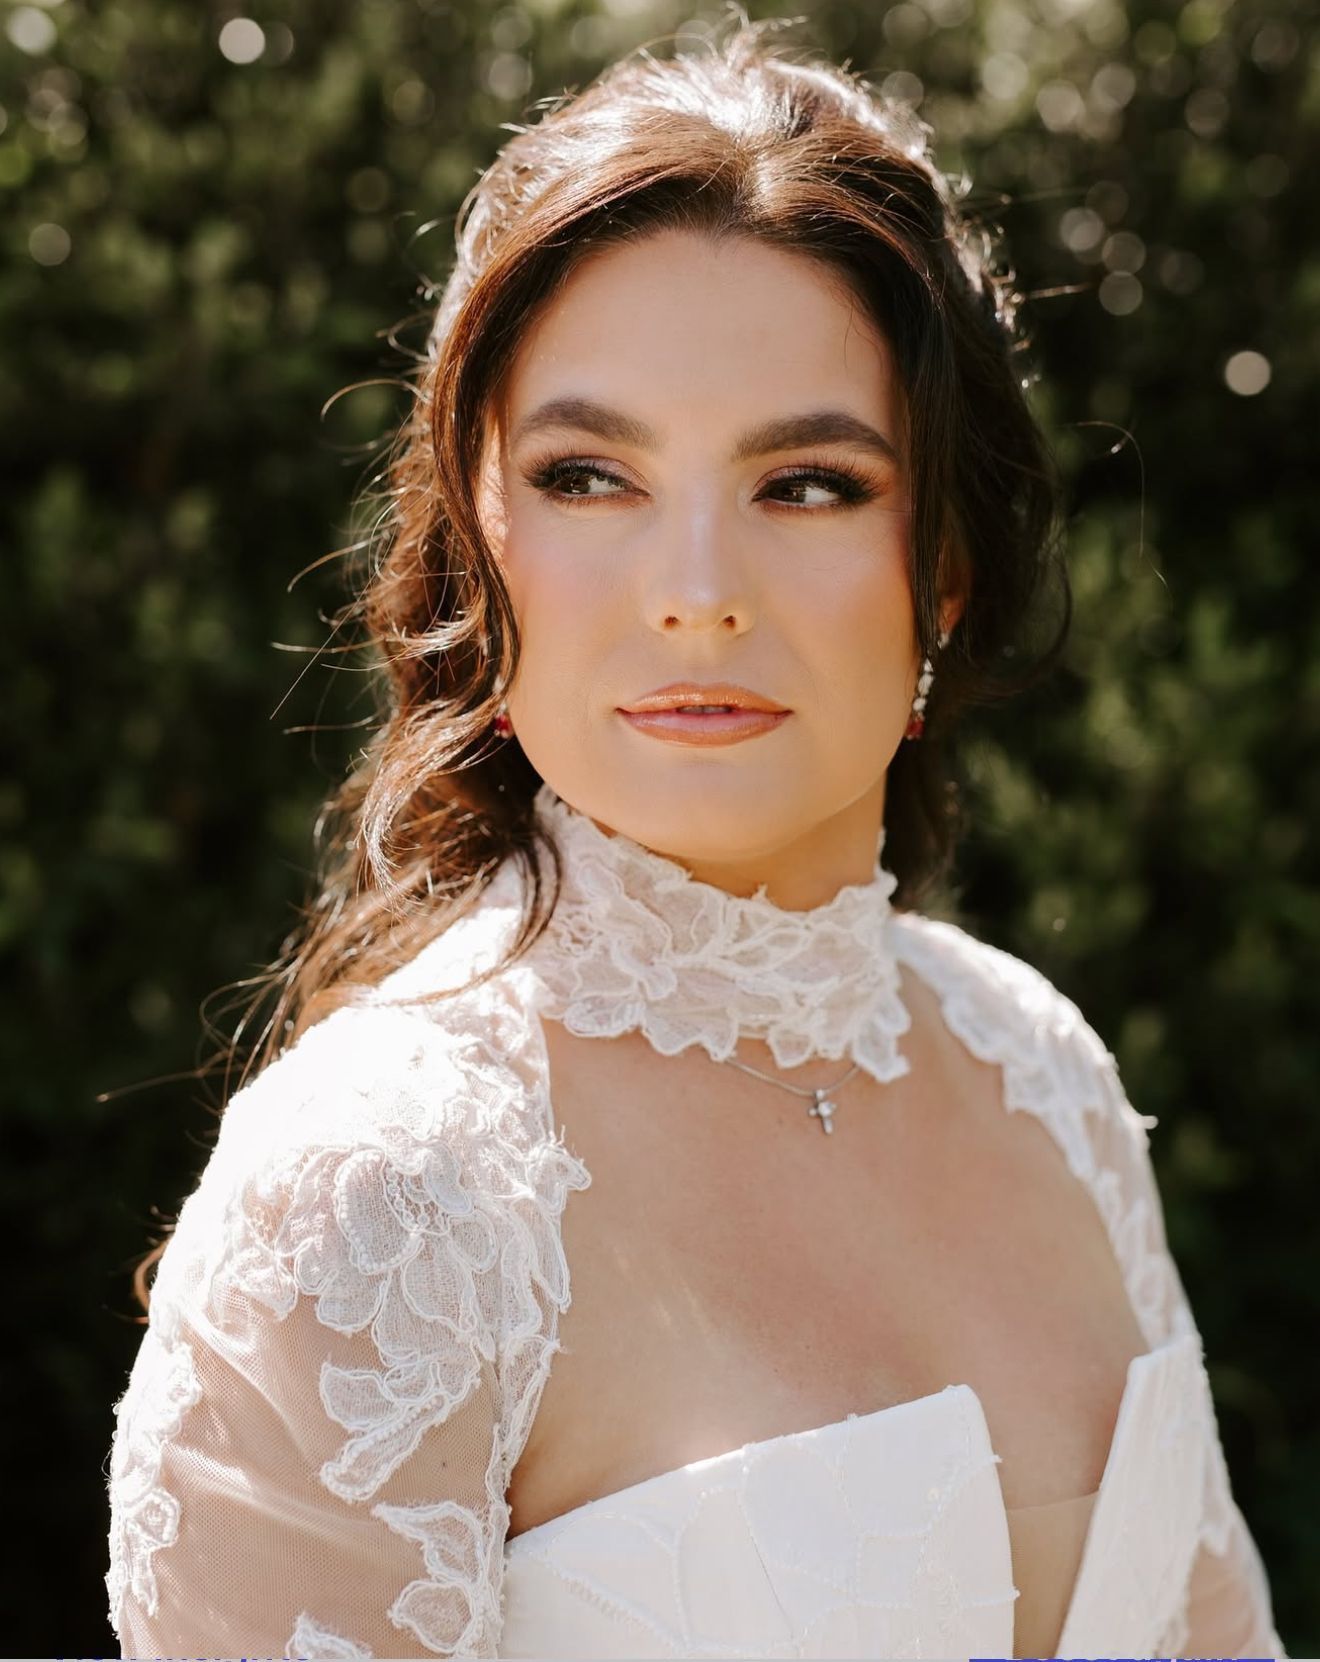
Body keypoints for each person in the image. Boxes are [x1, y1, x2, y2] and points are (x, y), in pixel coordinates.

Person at [104, 13, 1287, 1659]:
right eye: (591, 476)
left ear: (941, 569)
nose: (695, 589)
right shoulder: (384, 1197)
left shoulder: (1047, 1077)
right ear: (483, 556)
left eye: (806, 483)